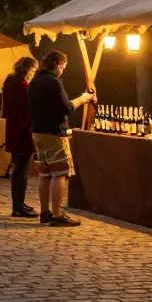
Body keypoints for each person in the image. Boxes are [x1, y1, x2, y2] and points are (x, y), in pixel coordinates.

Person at [28, 50, 95, 227]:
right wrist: (84, 98)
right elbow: (66, 107)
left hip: (37, 132)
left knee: (45, 173)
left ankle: (44, 212)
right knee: (60, 173)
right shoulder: (53, 82)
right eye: (63, 65)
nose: (63, 69)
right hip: (53, 133)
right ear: (57, 64)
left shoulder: (34, 81)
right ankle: (57, 214)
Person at [1, 56, 38, 218]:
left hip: (13, 129)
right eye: (33, 70)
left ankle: (19, 203)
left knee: (18, 169)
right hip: (22, 132)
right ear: (28, 69)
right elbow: (27, 111)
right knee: (21, 171)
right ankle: (18, 206)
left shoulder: (9, 83)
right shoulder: (22, 86)